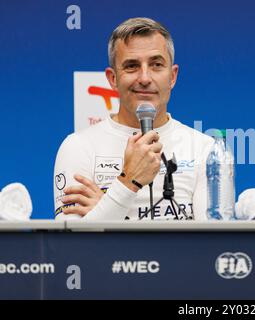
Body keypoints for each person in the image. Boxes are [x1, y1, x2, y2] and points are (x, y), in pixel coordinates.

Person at [53, 17, 213, 221]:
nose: (145, 78)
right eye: (131, 66)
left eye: (156, 65)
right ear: (113, 79)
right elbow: (71, 246)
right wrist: (129, 181)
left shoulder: (204, 148)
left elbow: (209, 245)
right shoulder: (78, 146)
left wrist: (105, 207)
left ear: (172, 76)